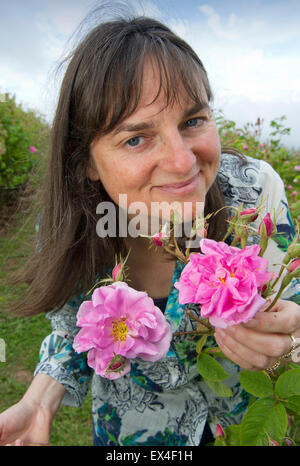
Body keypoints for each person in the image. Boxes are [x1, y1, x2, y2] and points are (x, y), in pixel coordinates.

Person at [0, 12, 299, 447]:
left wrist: (290, 338)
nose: (183, 164)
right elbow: (75, 332)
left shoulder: (254, 196)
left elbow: (289, 304)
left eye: (193, 121)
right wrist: (41, 400)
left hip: (245, 426)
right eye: (136, 138)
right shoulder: (69, 227)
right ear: (84, 159)